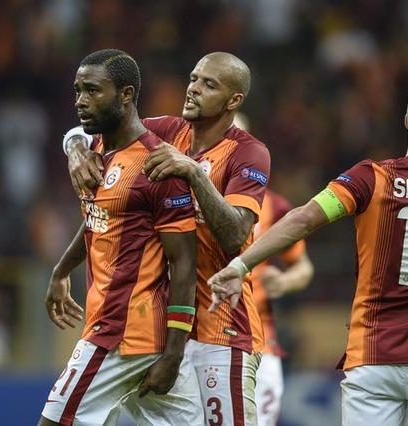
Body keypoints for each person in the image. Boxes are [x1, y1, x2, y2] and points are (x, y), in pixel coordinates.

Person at [209, 81, 408, 425]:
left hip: (372, 358)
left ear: (407, 120)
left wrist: (241, 264)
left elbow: (304, 218)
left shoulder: (371, 178)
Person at [62, 51, 270, 425]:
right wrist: (75, 149)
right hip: (167, 329)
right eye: (193, 78)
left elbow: (236, 235)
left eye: (209, 84)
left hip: (222, 328)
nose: (193, 89)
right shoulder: (169, 131)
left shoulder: (249, 153)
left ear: (233, 100)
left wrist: (194, 172)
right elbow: (102, 122)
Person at [39, 49, 203, 425]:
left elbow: (183, 262)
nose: (81, 101)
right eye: (78, 90)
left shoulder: (156, 165)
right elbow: (98, 222)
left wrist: (174, 353)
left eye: (93, 91)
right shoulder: (96, 151)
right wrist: (61, 271)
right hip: (136, 335)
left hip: (120, 333)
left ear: (126, 94)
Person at [233, 114, 316, 425]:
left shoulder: (273, 206)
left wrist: (284, 280)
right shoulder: (180, 196)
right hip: (192, 341)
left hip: (257, 343)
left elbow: (303, 267)